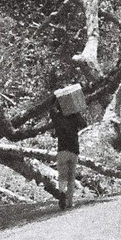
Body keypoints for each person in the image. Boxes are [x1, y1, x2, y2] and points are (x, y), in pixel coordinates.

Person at [45, 69, 89, 209]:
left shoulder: (58, 120)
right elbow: (84, 124)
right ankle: (70, 203)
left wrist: (55, 97)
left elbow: (51, 110)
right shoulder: (75, 118)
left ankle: (62, 195)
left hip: (62, 150)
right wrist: (76, 111)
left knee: (62, 177)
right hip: (74, 150)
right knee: (71, 178)